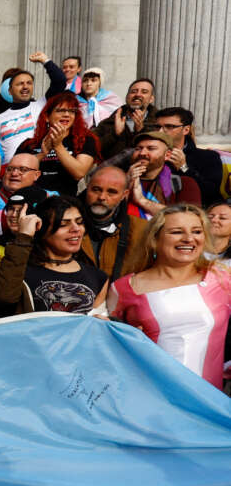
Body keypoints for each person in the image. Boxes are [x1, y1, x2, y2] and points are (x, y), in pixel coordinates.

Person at [109, 205, 231, 388]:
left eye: (197, 231)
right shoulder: (124, 288)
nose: (189, 239)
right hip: (150, 400)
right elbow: (110, 350)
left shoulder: (221, 278)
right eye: (176, 232)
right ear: (154, 239)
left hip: (209, 404)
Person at [0, 195, 108, 316]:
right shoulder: (17, 270)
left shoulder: (98, 278)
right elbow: (1, 299)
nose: (76, 229)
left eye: (79, 222)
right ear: (42, 229)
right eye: (63, 224)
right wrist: (24, 237)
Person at [13, 92, 99, 197]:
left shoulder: (86, 140)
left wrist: (58, 146)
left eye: (72, 111)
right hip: (30, 197)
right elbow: (15, 172)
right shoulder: (29, 144)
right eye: (60, 110)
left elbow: (79, 173)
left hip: (64, 201)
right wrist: (42, 154)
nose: (67, 115)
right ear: (47, 117)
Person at [0, 52, 68, 160]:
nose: (25, 87)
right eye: (20, 84)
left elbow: (60, 81)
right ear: (10, 91)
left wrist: (45, 60)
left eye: (29, 83)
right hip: (12, 171)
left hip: (39, 166)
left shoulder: (42, 105)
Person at [79, 163, 150, 282]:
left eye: (111, 192)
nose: (102, 197)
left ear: (124, 195)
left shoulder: (141, 230)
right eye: (96, 189)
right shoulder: (65, 225)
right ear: (87, 188)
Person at [153, 106, 224, 207]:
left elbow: (211, 193)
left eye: (169, 127)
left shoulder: (208, 157)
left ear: (186, 130)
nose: (160, 132)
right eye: (157, 127)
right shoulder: (145, 153)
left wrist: (184, 167)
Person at [127, 129, 202, 218]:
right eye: (138, 149)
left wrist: (142, 201)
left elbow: (190, 218)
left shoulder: (183, 183)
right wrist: (125, 184)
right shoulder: (120, 180)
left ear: (167, 155)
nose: (142, 153)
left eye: (151, 148)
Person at [95, 78, 157, 160]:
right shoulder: (108, 123)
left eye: (144, 92)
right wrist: (115, 134)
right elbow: (93, 149)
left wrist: (141, 131)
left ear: (151, 99)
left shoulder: (159, 123)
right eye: (133, 91)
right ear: (127, 97)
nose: (138, 94)